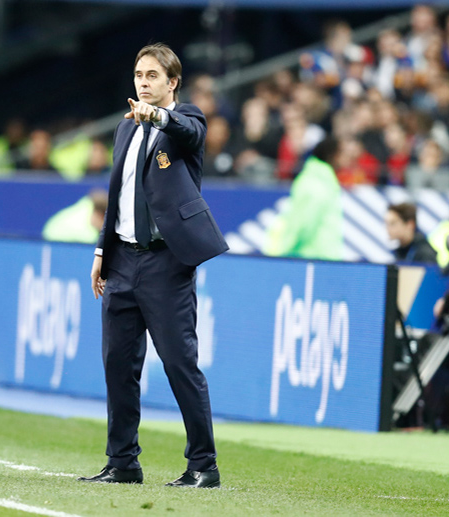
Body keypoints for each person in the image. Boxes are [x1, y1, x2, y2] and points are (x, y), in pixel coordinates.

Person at [82, 43, 227, 489]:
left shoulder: (188, 120)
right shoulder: (125, 129)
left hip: (166, 263)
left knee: (180, 364)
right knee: (117, 363)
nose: (143, 83)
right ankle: (123, 461)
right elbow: (117, 195)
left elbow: (187, 131)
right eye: (138, 75)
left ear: (172, 82)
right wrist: (102, 251)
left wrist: (157, 117)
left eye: (151, 76)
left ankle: (203, 465)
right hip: (122, 260)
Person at [262, 137, 343, 261]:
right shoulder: (315, 183)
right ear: (333, 155)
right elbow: (303, 224)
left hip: (322, 258)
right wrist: (285, 252)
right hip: (313, 259)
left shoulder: (324, 181)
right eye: (341, 153)